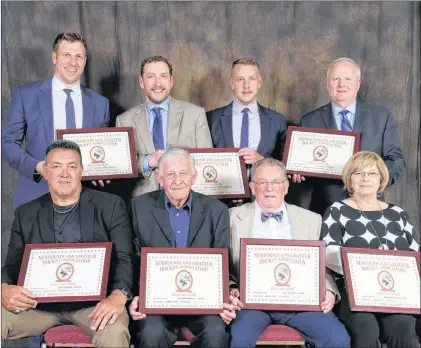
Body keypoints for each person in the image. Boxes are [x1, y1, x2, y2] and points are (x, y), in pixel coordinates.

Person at [1, 140, 132, 347]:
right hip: (38, 306)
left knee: (114, 334)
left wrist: (118, 295)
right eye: (56, 166)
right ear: (45, 171)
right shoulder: (26, 213)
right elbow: (11, 264)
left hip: (94, 306)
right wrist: (4, 288)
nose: (64, 173)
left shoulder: (111, 206)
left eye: (72, 166)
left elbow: (125, 258)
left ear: (81, 171)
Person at [228, 158, 350, 348]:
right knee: (238, 339)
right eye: (262, 183)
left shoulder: (311, 220)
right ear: (252, 187)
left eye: (276, 182)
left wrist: (328, 290)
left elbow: (323, 264)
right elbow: (223, 262)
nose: (269, 188)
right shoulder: (231, 217)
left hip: (300, 303)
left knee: (337, 338)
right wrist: (231, 288)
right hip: (251, 304)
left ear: (285, 186)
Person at [128, 148, 236, 348]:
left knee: (215, 333)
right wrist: (134, 296)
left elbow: (222, 262)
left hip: (203, 302)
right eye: (170, 174)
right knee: (151, 333)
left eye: (183, 173)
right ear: (160, 177)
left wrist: (226, 295)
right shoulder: (138, 207)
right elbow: (133, 258)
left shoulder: (217, 210)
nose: (177, 180)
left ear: (194, 176)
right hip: (156, 302)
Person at [321, 151, 420, 348]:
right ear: (350, 179)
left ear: (381, 178)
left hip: (395, 293)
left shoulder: (398, 214)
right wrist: (369, 263)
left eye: (372, 174)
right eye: (358, 173)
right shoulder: (337, 210)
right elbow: (328, 254)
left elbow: (414, 254)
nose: (365, 179)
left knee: (402, 325)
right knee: (366, 328)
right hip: (354, 292)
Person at [2, 32, 110, 209]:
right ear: (54, 57)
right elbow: (7, 142)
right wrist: (37, 166)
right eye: (66, 55)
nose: (72, 63)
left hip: (84, 201)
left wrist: (103, 168)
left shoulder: (100, 103)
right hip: (36, 195)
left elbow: (100, 150)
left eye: (79, 56)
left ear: (85, 61)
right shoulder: (26, 95)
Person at [290, 57, 405, 216]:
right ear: (328, 83)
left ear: (358, 84)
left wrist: (373, 179)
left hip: (371, 208)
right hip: (326, 211)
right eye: (335, 79)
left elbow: (396, 161)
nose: (341, 84)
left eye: (347, 79)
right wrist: (300, 172)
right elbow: (306, 169)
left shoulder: (381, 117)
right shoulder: (309, 120)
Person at [116, 56, 213, 197]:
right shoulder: (124, 120)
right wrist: (147, 161)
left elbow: (207, 161)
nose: (158, 83)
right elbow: (121, 166)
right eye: (151, 77)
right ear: (141, 82)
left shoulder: (195, 114)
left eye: (163, 76)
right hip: (144, 202)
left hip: (188, 198)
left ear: (171, 81)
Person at [207, 57, 287, 207]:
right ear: (232, 84)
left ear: (259, 82)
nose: (246, 86)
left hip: (264, 203)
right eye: (240, 80)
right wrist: (227, 191)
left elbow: (285, 164)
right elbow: (205, 161)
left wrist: (261, 160)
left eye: (251, 79)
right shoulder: (211, 119)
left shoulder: (277, 120)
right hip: (222, 203)